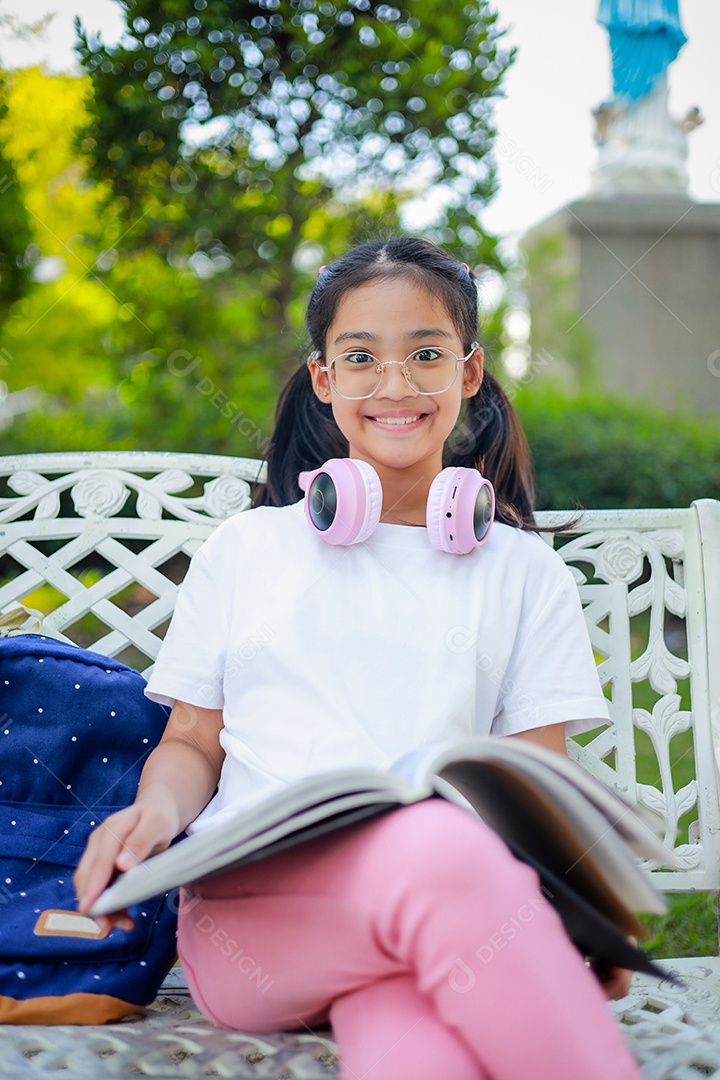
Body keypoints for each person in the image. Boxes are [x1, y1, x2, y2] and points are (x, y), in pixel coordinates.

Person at [75, 237, 642, 1080]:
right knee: (439, 853)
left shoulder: (525, 570)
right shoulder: (248, 547)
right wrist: (154, 816)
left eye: (425, 355)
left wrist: (576, 906)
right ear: (324, 379)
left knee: (412, 1030)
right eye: (361, 358)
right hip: (257, 923)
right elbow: (193, 742)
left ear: (471, 372)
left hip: (440, 925)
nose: (396, 385)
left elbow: (534, 789)